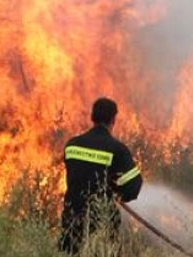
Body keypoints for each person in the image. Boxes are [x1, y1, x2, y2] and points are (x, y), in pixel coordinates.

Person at [59, 97, 143, 254]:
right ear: (113, 120)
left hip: (71, 219)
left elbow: (78, 174)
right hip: (101, 222)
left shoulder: (72, 145)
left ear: (92, 117)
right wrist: (117, 191)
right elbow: (134, 185)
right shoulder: (117, 149)